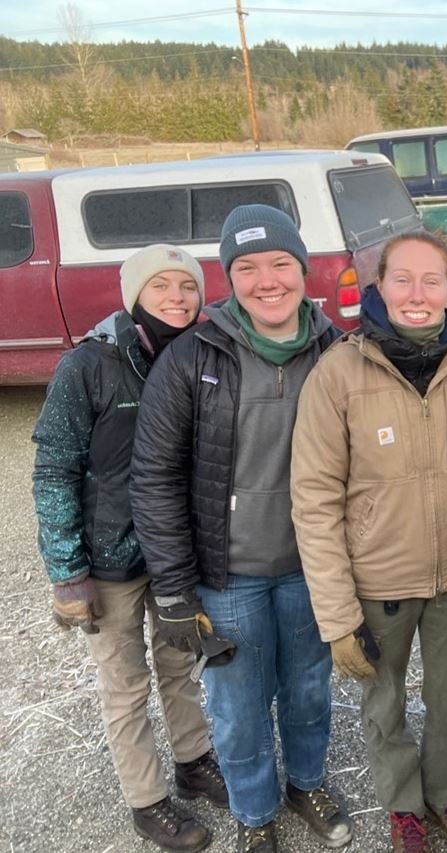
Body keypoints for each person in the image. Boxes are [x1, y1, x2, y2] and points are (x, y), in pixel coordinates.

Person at [130, 206, 352, 853]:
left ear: (302, 270)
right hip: (227, 578)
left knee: (309, 689)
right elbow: (155, 475)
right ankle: (254, 811)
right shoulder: (193, 358)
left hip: (313, 569)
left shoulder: (337, 352)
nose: (267, 279)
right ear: (229, 278)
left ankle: (305, 783)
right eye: (247, 267)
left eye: (280, 263)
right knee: (237, 705)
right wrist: (173, 588)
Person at [291, 232, 447, 853]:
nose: (416, 294)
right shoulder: (339, 373)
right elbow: (314, 499)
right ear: (378, 288)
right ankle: (404, 804)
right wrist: (335, 614)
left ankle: (445, 794)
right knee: (383, 706)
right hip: (377, 581)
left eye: (431, 280)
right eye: (400, 279)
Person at [31, 245, 226, 853]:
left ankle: (194, 762)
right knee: (125, 683)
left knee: (179, 664)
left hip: (175, 554)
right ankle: (146, 799)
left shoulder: (202, 357)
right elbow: (54, 468)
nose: (177, 297)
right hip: (108, 560)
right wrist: (67, 572)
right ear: (134, 294)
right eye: (161, 285)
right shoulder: (88, 365)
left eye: (187, 286)